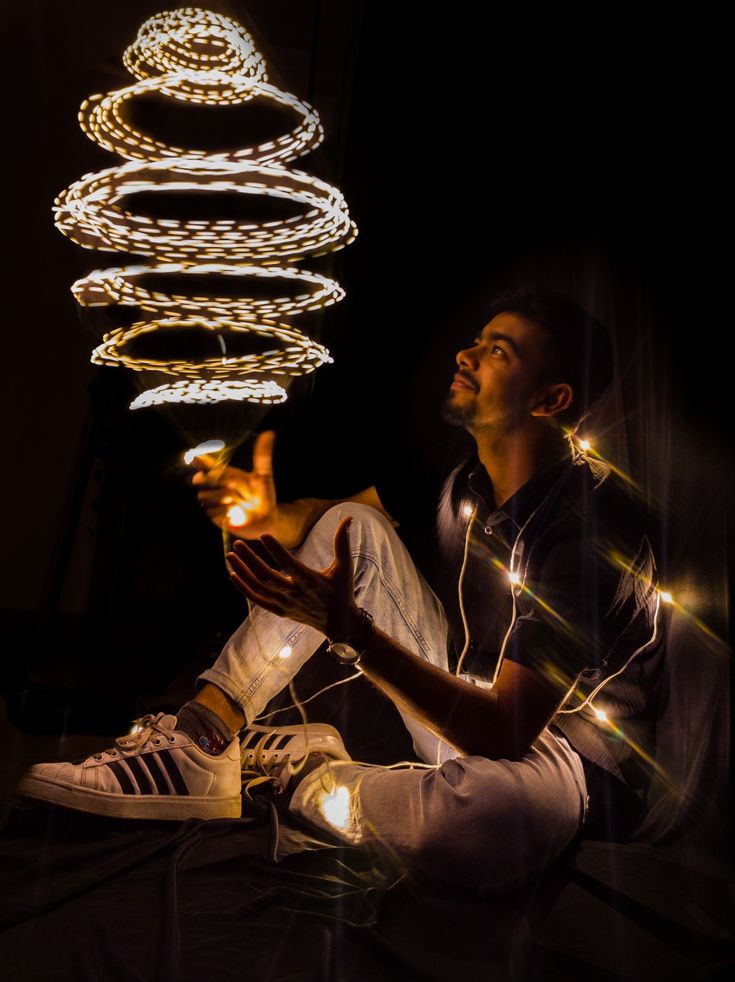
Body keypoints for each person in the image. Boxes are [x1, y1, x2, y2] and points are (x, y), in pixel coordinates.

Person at [17, 287, 664, 896]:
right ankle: (203, 739)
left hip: (563, 759)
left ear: (550, 401)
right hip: (471, 707)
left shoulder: (591, 528)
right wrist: (267, 515)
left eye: (498, 351)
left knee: (492, 820)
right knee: (353, 526)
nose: (466, 355)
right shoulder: (465, 472)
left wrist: (352, 633)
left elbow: (505, 733)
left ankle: (296, 773)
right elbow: (332, 515)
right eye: (476, 341)